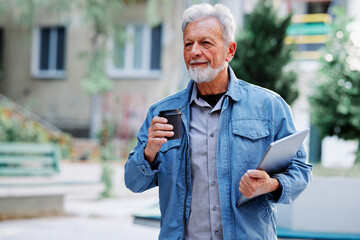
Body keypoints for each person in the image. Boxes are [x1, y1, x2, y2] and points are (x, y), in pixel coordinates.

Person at [125, 3, 313, 240]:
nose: (194, 51)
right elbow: (133, 182)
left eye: (205, 43)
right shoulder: (162, 112)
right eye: (188, 44)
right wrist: (149, 151)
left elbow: (301, 170)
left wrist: (273, 184)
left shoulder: (269, 106)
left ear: (230, 51)